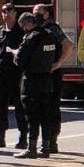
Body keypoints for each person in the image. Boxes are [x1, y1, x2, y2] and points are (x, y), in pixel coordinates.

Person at [13, 12, 57, 159]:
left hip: (32, 81)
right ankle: (45, 148)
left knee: (32, 116)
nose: (23, 29)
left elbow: (19, 61)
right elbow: (55, 55)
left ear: (28, 23)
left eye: (23, 26)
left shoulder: (31, 37)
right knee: (45, 115)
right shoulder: (50, 35)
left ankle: (31, 148)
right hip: (47, 80)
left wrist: (15, 54)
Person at [0, 2, 28, 149]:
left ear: (15, 13)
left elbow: (25, 53)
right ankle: (0, 137)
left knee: (19, 106)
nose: (6, 13)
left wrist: (24, 74)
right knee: (0, 106)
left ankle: (23, 137)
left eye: (9, 10)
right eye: (4, 11)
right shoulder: (0, 31)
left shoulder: (21, 31)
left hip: (16, 73)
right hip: (1, 72)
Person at [33, 3, 73, 154]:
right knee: (39, 108)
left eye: (39, 13)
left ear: (46, 14)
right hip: (39, 74)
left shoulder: (53, 29)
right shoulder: (35, 30)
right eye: (34, 13)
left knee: (52, 107)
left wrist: (58, 63)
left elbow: (68, 45)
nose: (36, 16)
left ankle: (52, 141)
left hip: (52, 75)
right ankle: (44, 141)